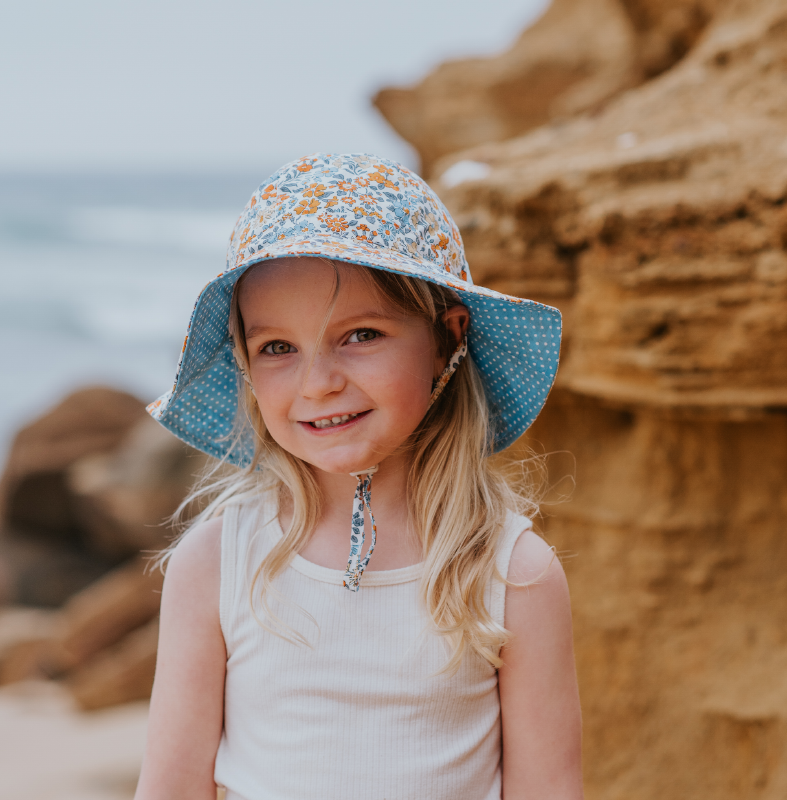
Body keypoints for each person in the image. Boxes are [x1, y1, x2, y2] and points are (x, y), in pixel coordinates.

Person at [134, 153, 582, 800]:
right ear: (247, 368)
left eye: (361, 334)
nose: (319, 384)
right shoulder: (217, 562)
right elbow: (170, 788)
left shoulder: (514, 573)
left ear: (445, 339)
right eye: (278, 349)